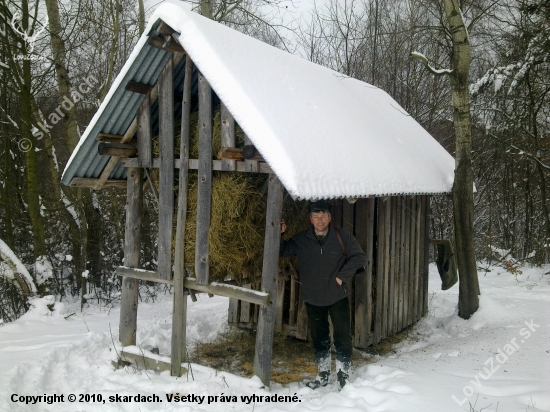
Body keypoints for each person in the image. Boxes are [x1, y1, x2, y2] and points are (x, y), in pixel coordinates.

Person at [280, 200, 366, 390]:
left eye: (323, 216)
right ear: (310, 219)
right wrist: (280, 234)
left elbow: (360, 258)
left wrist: (341, 277)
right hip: (313, 297)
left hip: (337, 296)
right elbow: (282, 251)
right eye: (316, 217)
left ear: (330, 218)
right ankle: (323, 375)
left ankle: (343, 376)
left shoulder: (342, 237)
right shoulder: (302, 239)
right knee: (319, 337)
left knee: (342, 337)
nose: (320, 220)